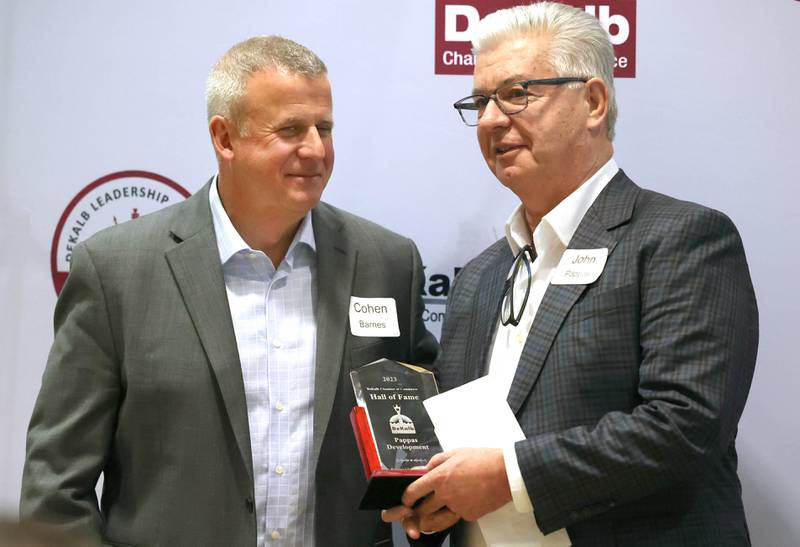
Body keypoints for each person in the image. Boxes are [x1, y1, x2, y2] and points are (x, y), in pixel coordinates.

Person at [21, 36, 437, 546]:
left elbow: (427, 444)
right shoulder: (117, 269)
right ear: (225, 137)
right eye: (290, 129)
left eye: (323, 128)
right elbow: (56, 487)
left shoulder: (387, 263)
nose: (315, 149)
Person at [384, 2, 758, 546]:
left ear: (593, 101)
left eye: (516, 94)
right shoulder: (482, 275)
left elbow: (685, 426)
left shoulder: (682, 238)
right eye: (480, 102)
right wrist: (433, 492)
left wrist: (508, 479)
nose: (490, 119)